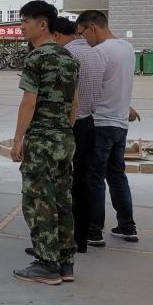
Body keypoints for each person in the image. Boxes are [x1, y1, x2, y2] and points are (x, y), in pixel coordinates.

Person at [10, 1, 80, 286]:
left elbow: (29, 102)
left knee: (39, 201)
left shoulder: (37, 58)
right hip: (64, 139)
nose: (22, 27)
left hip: (41, 141)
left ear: (43, 25)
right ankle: (65, 262)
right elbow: (74, 103)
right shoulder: (69, 58)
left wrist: (18, 139)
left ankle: (47, 264)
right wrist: (64, 131)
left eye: (26, 21)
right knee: (62, 200)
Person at [76, 10, 140, 243]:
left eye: (82, 33)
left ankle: (93, 231)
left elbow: (92, 88)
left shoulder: (99, 53)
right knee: (117, 176)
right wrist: (127, 106)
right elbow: (117, 83)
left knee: (94, 178)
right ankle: (127, 227)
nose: (83, 40)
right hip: (120, 123)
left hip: (100, 122)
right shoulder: (127, 48)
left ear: (92, 26)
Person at [51, 17, 104, 252]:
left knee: (59, 185)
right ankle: (80, 240)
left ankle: (59, 243)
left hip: (69, 125)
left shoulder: (66, 55)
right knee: (83, 184)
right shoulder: (96, 53)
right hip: (89, 124)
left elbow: (66, 98)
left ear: (56, 35)